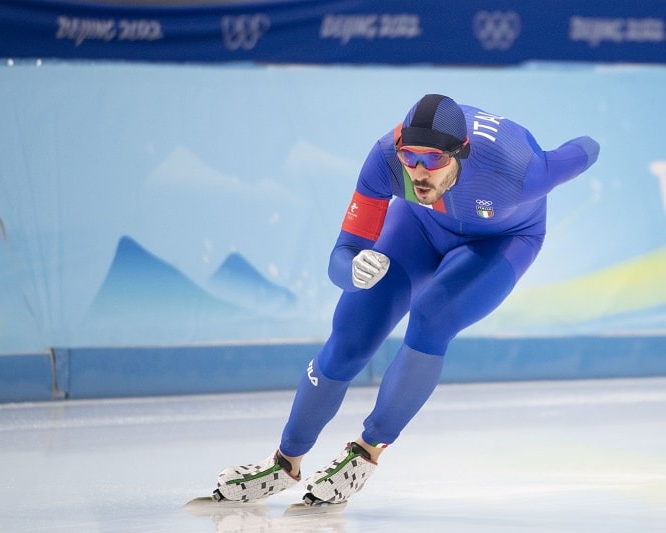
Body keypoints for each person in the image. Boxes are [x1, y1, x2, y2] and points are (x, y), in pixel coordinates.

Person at [215, 93, 600, 505]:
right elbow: (339, 260)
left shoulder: (520, 170)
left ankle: (366, 451)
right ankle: (286, 460)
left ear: (460, 154)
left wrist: (592, 139)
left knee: (432, 318)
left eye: (433, 160)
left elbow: (584, 150)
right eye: (410, 157)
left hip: (503, 240)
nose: (418, 172)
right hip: (419, 225)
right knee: (351, 334)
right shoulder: (384, 159)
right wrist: (353, 269)